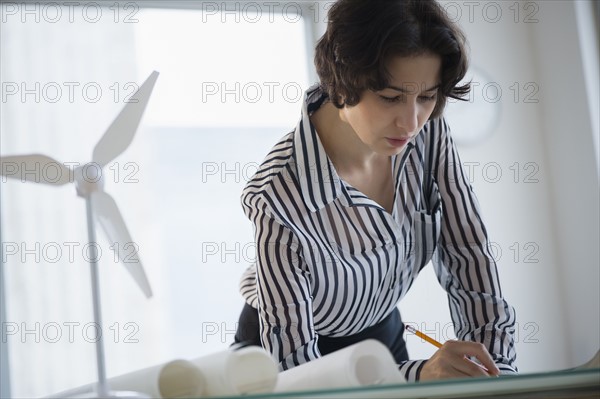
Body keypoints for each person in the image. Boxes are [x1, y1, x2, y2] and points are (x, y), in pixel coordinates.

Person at [234, 0, 517, 382]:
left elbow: (469, 255)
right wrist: (419, 375)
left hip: (382, 332)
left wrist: (495, 369)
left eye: (427, 97)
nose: (411, 121)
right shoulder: (278, 194)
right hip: (287, 352)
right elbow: (296, 371)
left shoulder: (428, 132)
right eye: (390, 98)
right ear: (341, 84)